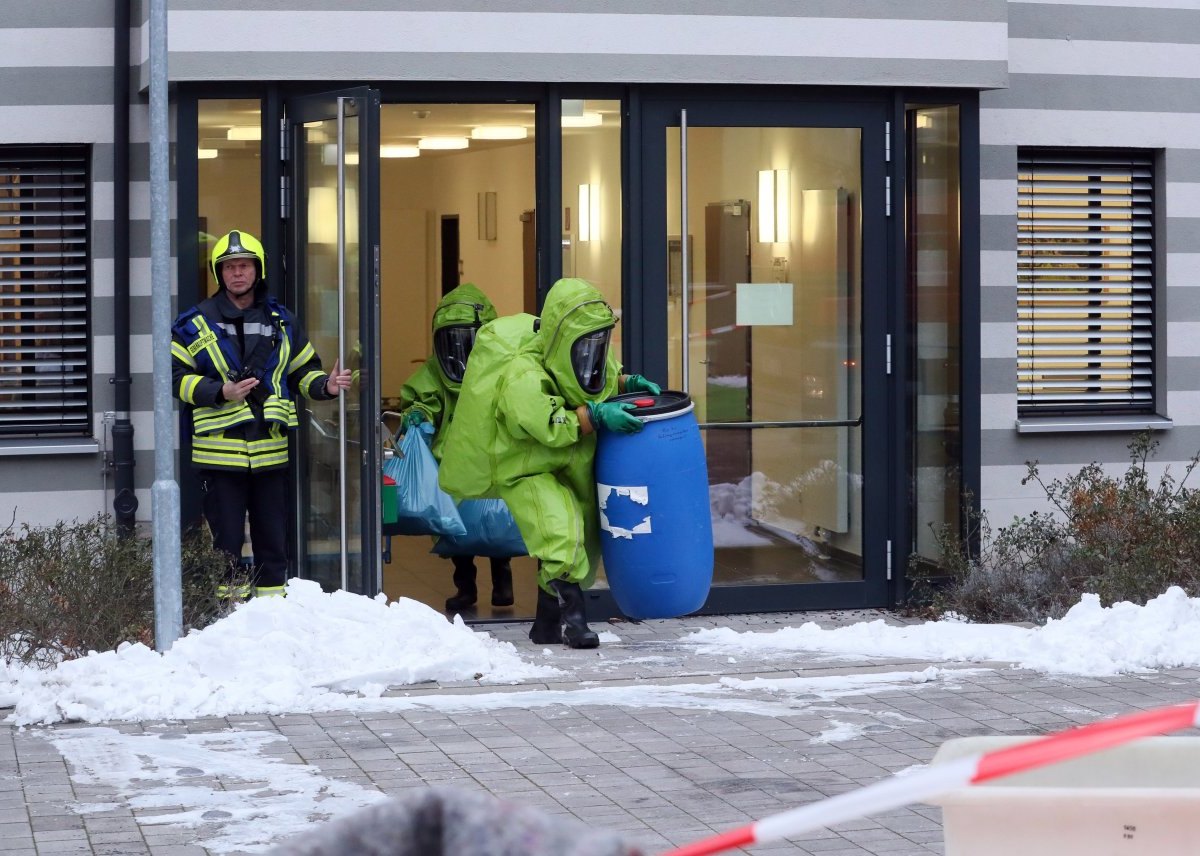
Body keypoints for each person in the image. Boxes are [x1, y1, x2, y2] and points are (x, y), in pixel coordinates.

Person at [446, 277, 660, 649]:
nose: (595, 352)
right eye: (587, 344)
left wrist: (624, 382)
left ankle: (545, 627)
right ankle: (576, 622)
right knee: (560, 531)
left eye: (600, 343)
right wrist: (594, 416)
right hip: (526, 467)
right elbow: (547, 425)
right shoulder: (522, 374)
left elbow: (594, 373)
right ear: (562, 339)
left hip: (570, 461)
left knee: (580, 540)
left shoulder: (579, 352)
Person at [171, 229, 352, 598]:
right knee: (226, 546)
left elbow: (303, 370)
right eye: (230, 267)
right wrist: (218, 391)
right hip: (219, 458)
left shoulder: (283, 322)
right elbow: (173, 379)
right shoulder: (194, 324)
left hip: (271, 456)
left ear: (258, 271)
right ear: (219, 273)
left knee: (273, 543)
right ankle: (229, 616)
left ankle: (273, 614)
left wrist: (326, 387)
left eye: (245, 266)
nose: (238, 273)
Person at [397, 282, 514, 613]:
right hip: (457, 459)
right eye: (453, 341)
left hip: (488, 455)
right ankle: (469, 585)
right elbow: (424, 396)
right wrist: (417, 413)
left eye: (468, 340)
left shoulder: (503, 367)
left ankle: (498, 579)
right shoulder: (436, 371)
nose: (460, 351)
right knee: (459, 524)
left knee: (493, 521)